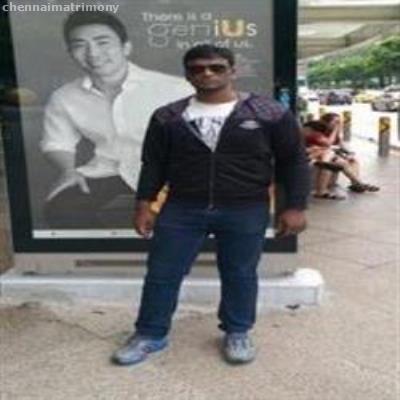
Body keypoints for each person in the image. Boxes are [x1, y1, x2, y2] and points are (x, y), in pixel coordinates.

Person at [112, 44, 311, 366]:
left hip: (245, 207)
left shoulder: (269, 113)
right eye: (197, 68)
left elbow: (294, 162)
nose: (206, 73)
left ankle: (237, 331)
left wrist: (296, 206)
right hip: (183, 206)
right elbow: (153, 164)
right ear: (187, 74)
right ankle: (150, 334)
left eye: (216, 67)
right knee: (162, 272)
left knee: (240, 273)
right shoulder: (168, 116)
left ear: (232, 71)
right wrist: (143, 204)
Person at [40, 10, 193, 229]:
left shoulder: (176, 88)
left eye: (102, 42)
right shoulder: (64, 97)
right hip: (108, 169)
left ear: (126, 47)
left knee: (178, 219)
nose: (93, 53)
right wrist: (68, 170)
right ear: (71, 53)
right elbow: (57, 142)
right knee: (62, 209)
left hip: (168, 175)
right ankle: (103, 251)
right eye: (80, 45)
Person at [303, 120, 379, 197]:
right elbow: (328, 143)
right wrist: (335, 130)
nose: (338, 124)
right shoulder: (307, 136)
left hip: (320, 156)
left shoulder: (319, 133)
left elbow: (340, 145)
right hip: (310, 158)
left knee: (343, 161)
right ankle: (357, 183)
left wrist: (347, 153)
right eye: (335, 122)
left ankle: (356, 183)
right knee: (329, 155)